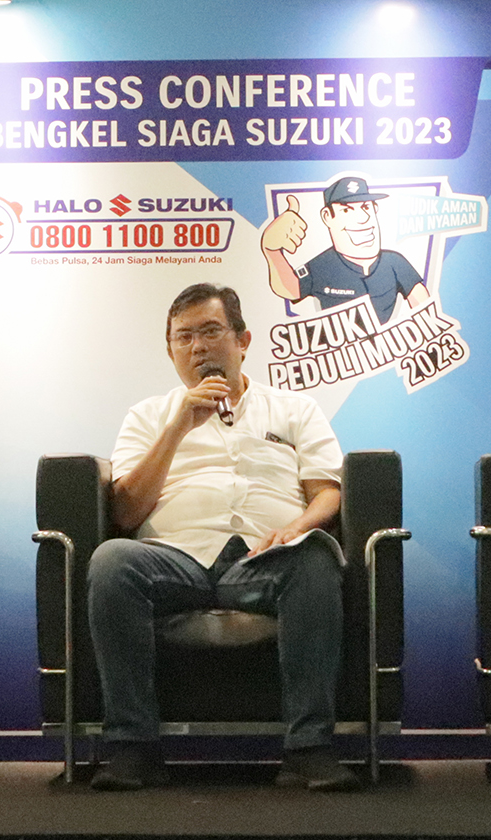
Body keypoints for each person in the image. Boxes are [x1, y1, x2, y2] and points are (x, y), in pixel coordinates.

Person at [87, 282, 356, 792]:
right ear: (171, 351)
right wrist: (178, 428)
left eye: (211, 332)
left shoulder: (295, 409)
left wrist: (297, 528)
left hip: (264, 558)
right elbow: (125, 510)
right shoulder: (148, 416)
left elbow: (327, 493)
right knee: (112, 560)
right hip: (173, 559)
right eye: (183, 338)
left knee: (317, 556)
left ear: (242, 340)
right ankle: (132, 748)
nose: (198, 348)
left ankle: (308, 749)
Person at [261, 175, 431, 323]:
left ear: (375, 209)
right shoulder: (323, 265)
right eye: (347, 210)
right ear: (327, 217)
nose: (363, 218)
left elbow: (424, 307)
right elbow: (290, 289)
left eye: (366, 207)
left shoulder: (395, 262)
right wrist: (272, 251)